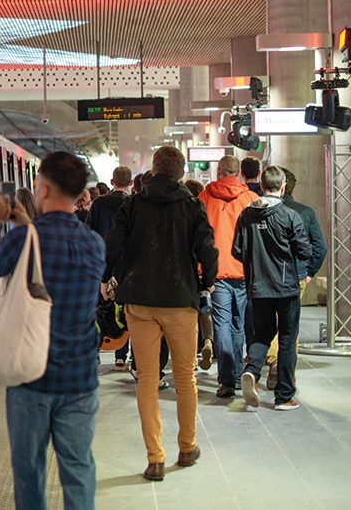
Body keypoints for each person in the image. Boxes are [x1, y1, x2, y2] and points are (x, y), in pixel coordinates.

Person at [0, 151, 105, 510]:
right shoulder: (94, 244)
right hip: (80, 378)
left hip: (31, 378)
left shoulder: (23, 239)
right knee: (78, 468)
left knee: (29, 472)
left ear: (43, 188)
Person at [106, 146, 217, 482]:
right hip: (181, 300)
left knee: (148, 381)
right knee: (185, 378)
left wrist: (111, 276)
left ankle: (155, 459)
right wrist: (207, 283)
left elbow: (113, 242)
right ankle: (187, 447)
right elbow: (207, 248)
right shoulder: (192, 205)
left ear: (154, 170)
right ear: (181, 173)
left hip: (140, 302)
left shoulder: (133, 203)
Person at [234, 166, 311, 411]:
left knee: (262, 334)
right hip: (286, 288)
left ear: (262, 185)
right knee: (287, 339)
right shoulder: (289, 215)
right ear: (283, 187)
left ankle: (252, 371)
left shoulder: (246, 215)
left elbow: (237, 250)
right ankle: (284, 396)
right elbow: (304, 251)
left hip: (258, 286)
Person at [197, 155, 258, 398]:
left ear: (219, 171)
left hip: (217, 271)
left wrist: (201, 269)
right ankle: (234, 374)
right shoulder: (251, 199)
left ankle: (227, 381)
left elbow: (199, 236)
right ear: (239, 173)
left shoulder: (205, 197)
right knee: (238, 322)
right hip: (244, 271)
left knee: (221, 323)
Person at [263, 167, 327, 388]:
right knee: (291, 324)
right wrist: (310, 272)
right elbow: (320, 247)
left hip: (268, 275)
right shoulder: (306, 212)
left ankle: (272, 362)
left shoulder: (261, 211)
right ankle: (286, 370)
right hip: (296, 275)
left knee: (272, 320)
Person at [88, 166, 132, 368]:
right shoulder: (133, 204)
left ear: (112, 181)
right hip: (127, 267)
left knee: (99, 311)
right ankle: (121, 355)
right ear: (130, 183)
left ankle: (95, 351)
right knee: (125, 312)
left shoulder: (98, 205)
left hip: (102, 265)